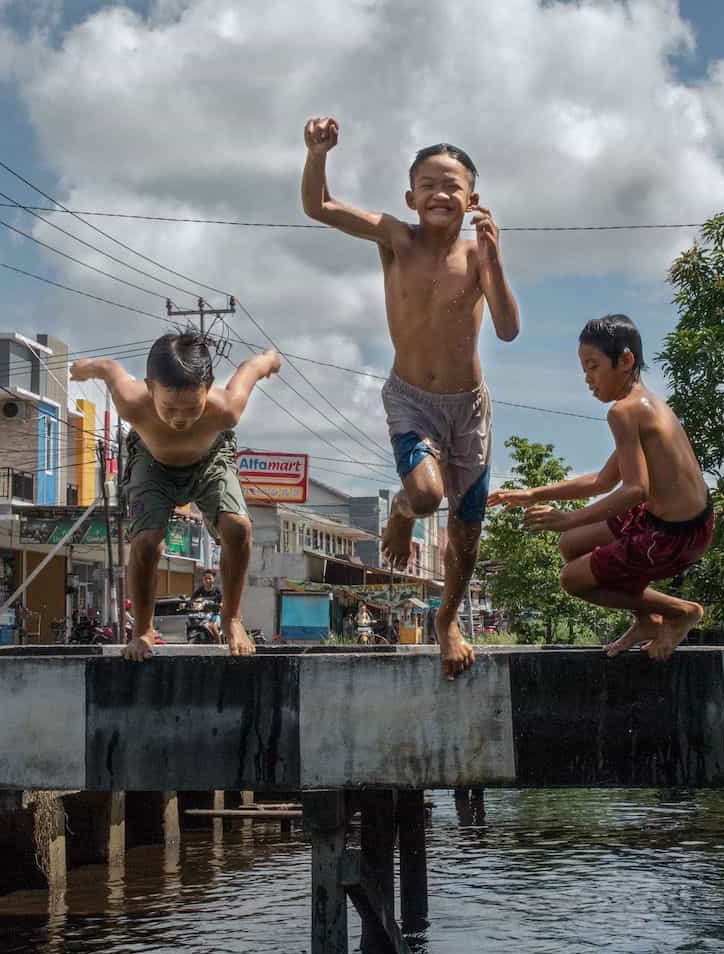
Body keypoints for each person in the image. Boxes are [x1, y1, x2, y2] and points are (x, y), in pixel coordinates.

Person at [302, 116, 521, 680]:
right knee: (425, 496)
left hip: (468, 407)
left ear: (473, 198)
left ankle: (448, 621)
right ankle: (402, 509)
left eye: (452, 185)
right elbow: (319, 206)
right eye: (428, 184)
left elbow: (507, 329)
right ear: (410, 196)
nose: (440, 193)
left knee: (467, 537)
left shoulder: (477, 255)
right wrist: (316, 152)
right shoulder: (395, 238)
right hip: (411, 399)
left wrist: (493, 256)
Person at [490, 315, 713, 662]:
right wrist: (534, 494)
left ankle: (681, 611)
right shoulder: (646, 404)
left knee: (572, 579)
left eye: (593, 366)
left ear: (625, 361)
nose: (587, 379)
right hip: (680, 521)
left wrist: (568, 518)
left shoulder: (624, 412)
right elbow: (603, 481)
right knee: (571, 544)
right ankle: (646, 617)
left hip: (674, 535)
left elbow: (635, 489)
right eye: (583, 368)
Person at [71, 333, 281, 661]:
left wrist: (268, 361)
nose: (180, 418)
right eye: (169, 408)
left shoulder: (225, 409)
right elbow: (110, 368)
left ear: (208, 387)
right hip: (151, 464)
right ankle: (142, 631)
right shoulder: (131, 401)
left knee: (239, 529)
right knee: (146, 542)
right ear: (151, 388)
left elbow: (249, 369)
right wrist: (88, 368)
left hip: (211, 461)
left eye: (191, 407)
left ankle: (232, 618)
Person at [193, 567, 223, 641]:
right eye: (205, 578)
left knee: (213, 627)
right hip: (203, 615)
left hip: (215, 614)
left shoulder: (217, 590)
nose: (207, 580)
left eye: (209, 578)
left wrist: (221, 604)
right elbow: (192, 599)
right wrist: (191, 603)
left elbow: (222, 600)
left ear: (213, 579)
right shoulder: (200, 590)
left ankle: (219, 645)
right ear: (203, 579)